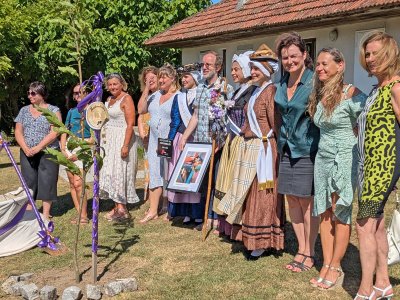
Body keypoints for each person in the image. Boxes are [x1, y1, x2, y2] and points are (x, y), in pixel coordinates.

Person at [217, 44, 284, 259]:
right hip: (251, 146)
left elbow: (275, 124)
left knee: (262, 193)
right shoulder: (257, 91)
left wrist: (272, 149)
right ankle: (250, 236)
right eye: (252, 68)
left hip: (264, 148)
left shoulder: (271, 91)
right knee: (248, 192)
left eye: (257, 69)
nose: (253, 72)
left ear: (267, 70)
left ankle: (264, 239)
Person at [308, 48, 367, 289]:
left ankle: (335, 265)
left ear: (340, 65)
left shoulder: (351, 92)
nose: (320, 68)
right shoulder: (320, 93)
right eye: (318, 64)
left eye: (325, 63)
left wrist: (356, 132)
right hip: (323, 157)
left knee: (339, 211)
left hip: (344, 157)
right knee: (324, 211)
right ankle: (325, 262)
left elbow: (369, 118)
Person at [354, 31, 400, 300]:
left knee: (364, 225)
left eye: (376, 54)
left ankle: (365, 289)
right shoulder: (377, 89)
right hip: (367, 165)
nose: (370, 59)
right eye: (367, 54)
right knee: (377, 224)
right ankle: (383, 283)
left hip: (383, 166)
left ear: (390, 54)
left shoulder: (396, 87)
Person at [274, 32, 320, 272]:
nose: (289, 61)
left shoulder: (315, 82)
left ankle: (310, 253)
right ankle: (300, 248)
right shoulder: (281, 83)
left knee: (307, 202)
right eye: (285, 57)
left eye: (293, 56)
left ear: (304, 55)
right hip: (286, 149)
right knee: (292, 200)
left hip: (307, 147)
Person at [180, 50, 234, 230]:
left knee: (217, 181)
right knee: (203, 182)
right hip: (200, 143)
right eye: (203, 64)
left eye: (208, 65)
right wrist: (185, 136)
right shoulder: (201, 87)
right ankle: (206, 217)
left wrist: (220, 140)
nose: (204, 68)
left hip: (217, 143)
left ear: (218, 67)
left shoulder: (225, 88)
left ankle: (216, 218)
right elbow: (195, 115)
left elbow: (228, 120)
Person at [214, 51, 256, 236]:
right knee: (225, 180)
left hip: (241, 140)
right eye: (232, 69)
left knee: (235, 182)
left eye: (237, 69)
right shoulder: (238, 90)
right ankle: (225, 225)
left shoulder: (252, 91)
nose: (233, 72)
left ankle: (236, 227)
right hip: (232, 141)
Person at [137, 64, 180, 223]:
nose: (161, 80)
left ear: (172, 79)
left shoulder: (177, 96)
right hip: (154, 140)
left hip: (167, 140)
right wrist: (146, 89)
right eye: (159, 77)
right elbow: (141, 110)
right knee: (155, 172)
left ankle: (168, 207)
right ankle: (153, 210)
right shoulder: (153, 96)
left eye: (163, 77)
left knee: (167, 173)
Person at [14, 81, 61, 220]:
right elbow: (18, 131)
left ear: (42, 94)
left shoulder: (53, 110)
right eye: (28, 93)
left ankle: (46, 214)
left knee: (47, 180)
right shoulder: (23, 110)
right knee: (29, 181)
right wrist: (25, 148)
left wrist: (38, 147)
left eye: (33, 93)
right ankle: (30, 211)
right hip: (27, 151)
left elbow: (55, 131)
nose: (30, 95)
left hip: (48, 151)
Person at [101, 73, 139, 222]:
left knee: (120, 172)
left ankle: (122, 208)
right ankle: (116, 205)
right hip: (109, 139)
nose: (112, 87)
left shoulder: (127, 98)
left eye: (115, 84)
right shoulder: (108, 99)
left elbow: (130, 123)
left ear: (122, 84)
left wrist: (125, 145)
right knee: (110, 172)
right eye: (110, 84)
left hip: (122, 138)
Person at [166, 69, 203, 223]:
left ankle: (197, 212)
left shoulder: (202, 94)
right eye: (182, 77)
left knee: (194, 174)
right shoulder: (179, 97)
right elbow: (175, 120)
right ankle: (185, 211)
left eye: (186, 76)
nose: (183, 80)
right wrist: (170, 141)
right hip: (181, 138)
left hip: (197, 139)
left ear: (195, 77)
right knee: (181, 175)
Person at [60, 83, 92, 224]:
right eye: (75, 93)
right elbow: (65, 130)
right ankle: (79, 213)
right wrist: (63, 148)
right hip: (69, 146)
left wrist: (79, 152)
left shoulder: (92, 111)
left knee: (79, 183)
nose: (78, 95)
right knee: (72, 183)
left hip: (83, 146)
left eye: (81, 92)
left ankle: (84, 216)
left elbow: (94, 137)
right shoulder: (72, 112)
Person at [137, 66, 158, 201]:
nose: (149, 81)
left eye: (152, 78)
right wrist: (142, 134)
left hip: (158, 135)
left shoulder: (164, 94)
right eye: (146, 79)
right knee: (148, 166)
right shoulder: (147, 96)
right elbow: (140, 114)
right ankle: (150, 197)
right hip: (147, 134)